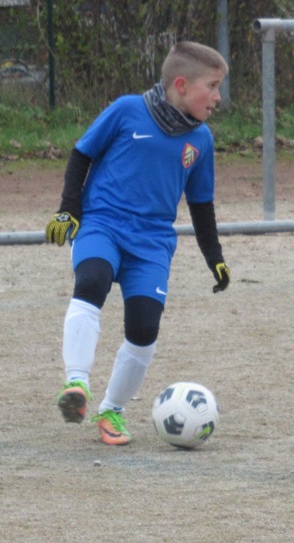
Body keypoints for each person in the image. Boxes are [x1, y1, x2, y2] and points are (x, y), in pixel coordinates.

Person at [46, 41, 231, 445]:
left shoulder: (201, 140)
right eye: (213, 86)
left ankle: (111, 410)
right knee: (91, 281)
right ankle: (76, 384)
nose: (218, 97)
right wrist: (68, 210)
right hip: (102, 223)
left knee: (144, 326)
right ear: (181, 85)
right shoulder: (128, 109)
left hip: (152, 242)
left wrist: (214, 257)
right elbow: (81, 155)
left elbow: (201, 205)